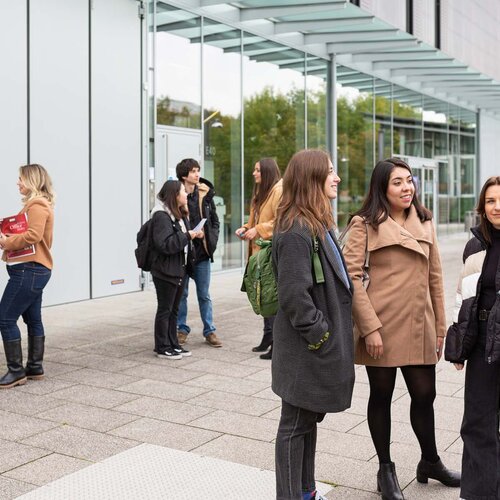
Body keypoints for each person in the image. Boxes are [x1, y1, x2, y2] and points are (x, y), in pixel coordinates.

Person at [342, 157, 460, 499]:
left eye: (409, 181)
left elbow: (435, 277)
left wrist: (441, 326)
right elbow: (352, 279)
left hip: (419, 323)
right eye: (398, 182)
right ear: (382, 187)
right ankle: (386, 469)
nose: (407, 187)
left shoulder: (424, 220)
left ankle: (430, 461)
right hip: (380, 325)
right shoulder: (364, 224)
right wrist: (370, 328)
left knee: (426, 394)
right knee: (381, 396)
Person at [272, 149, 354, 500]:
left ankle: (306, 491)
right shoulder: (296, 229)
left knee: (307, 422)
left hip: (313, 347)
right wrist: (321, 335)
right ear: (312, 179)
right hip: (305, 348)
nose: (336, 178)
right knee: (293, 426)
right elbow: (294, 295)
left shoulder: (315, 223)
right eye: (330, 172)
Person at [445, 176, 500, 500]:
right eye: (491, 201)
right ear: (483, 207)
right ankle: (481, 494)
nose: (497, 207)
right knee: (477, 422)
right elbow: (464, 296)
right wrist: (459, 345)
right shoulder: (476, 244)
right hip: (482, 345)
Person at [0, 164, 55, 389]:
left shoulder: (37, 205)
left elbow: (33, 235)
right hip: (33, 270)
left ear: (32, 181)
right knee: (33, 319)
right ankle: (34, 367)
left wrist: (6, 241)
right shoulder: (37, 205)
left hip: (29, 270)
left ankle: (15, 371)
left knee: (4, 318)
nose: (18, 183)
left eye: (21, 179)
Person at [150, 180, 203, 360]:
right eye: (182, 191)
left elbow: (183, 237)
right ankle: (162, 346)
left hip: (179, 268)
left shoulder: (178, 214)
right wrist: (188, 235)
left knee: (174, 309)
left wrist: (193, 233)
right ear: (174, 195)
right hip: (165, 270)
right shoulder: (161, 216)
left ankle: (173, 343)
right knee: (165, 308)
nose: (186, 194)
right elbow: (165, 244)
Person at [235, 158, 282, 360]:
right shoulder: (261, 191)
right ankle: (267, 338)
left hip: (270, 253)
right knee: (263, 295)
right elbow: (255, 220)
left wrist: (258, 230)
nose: (254, 173)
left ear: (267, 172)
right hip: (259, 255)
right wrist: (246, 227)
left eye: (257, 170)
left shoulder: (279, 191)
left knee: (271, 297)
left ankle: (276, 344)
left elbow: (281, 219)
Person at [175, 159, 222, 348]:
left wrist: (209, 238)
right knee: (182, 294)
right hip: (183, 254)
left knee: (204, 294)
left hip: (201, 253)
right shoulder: (176, 195)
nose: (197, 174)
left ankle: (209, 331)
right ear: (184, 176)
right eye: (193, 171)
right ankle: (181, 329)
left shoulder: (205, 194)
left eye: (198, 170)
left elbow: (215, 222)